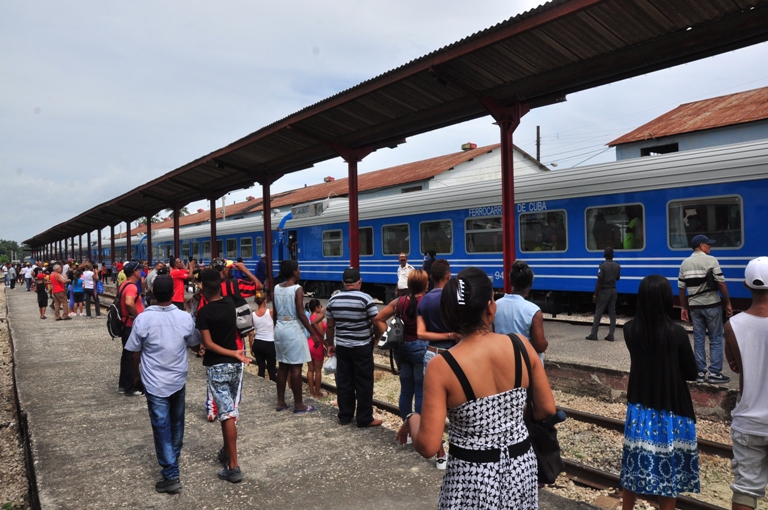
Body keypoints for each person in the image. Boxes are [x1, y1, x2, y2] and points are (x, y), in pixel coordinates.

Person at [397, 267, 556, 509]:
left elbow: (429, 445)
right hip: (520, 469)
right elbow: (546, 409)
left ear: (450, 315)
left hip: (472, 476)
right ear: (491, 308)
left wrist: (413, 418)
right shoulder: (521, 346)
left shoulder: (442, 366)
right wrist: (506, 414)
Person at [620, 275, 700, 510]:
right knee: (669, 474)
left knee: (633, 467)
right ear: (666, 299)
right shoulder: (677, 334)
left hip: (639, 411)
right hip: (673, 410)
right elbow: (692, 372)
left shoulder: (629, 330)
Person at [124, 275, 201, 494]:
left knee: (161, 427)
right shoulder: (184, 318)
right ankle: (172, 460)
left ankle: (171, 473)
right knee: (177, 424)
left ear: (153, 294)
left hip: (154, 382)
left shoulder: (142, 319)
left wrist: (136, 377)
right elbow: (195, 344)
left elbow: (134, 353)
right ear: (173, 293)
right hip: (178, 380)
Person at [195, 268, 252, 483]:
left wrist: (229, 353)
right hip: (235, 365)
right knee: (228, 410)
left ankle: (233, 466)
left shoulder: (204, 313)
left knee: (226, 413)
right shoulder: (230, 304)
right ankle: (226, 451)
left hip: (217, 365)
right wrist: (235, 353)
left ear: (202, 287)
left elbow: (208, 344)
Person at [724, 257, 768, 510]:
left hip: (749, 420)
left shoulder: (732, 325)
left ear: (746, 285)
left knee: (745, 491)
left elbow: (735, 365)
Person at [325, 267, 381, 428]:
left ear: (343, 282)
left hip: (342, 347)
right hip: (362, 347)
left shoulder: (333, 300)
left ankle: (345, 416)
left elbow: (330, 326)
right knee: (364, 382)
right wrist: (376, 337)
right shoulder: (366, 299)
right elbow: (376, 322)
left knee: (344, 381)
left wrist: (331, 344)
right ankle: (364, 418)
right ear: (359, 282)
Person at [373, 269, 428, 423]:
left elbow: (378, 319)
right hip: (420, 348)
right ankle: (419, 427)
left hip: (402, 348)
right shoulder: (426, 302)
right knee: (420, 391)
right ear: (425, 284)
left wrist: (391, 337)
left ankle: (407, 426)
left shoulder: (400, 302)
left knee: (406, 391)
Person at [416, 258, 455, 468]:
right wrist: (451, 335)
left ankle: (441, 456)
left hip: (431, 354)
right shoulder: (454, 298)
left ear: (431, 277)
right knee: (458, 405)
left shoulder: (424, 301)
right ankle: (459, 451)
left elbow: (421, 334)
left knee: (435, 408)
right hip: (453, 355)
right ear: (448, 276)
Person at [679, 234, 732, 384]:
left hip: (694, 306)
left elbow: (681, 288)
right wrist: (728, 302)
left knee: (698, 338)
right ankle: (714, 373)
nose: (710, 247)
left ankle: (700, 373)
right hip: (711, 305)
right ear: (701, 246)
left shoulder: (684, 263)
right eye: (708, 244)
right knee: (716, 338)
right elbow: (720, 283)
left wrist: (683, 307)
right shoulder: (711, 260)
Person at [272, 259, 321, 413]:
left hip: (280, 327)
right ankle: (298, 405)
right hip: (293, 328)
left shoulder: (276, 288)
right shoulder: (297, 289)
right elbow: (301, 312)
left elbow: (275, 312)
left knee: (282, 366)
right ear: (294, 272)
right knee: (296, 367)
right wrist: (313, 333)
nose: (300, 271)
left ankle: (281, 402)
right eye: (298, 269)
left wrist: (276, 328)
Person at [494, 260, 548, 360]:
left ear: (511, 281)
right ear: (530, 284)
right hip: (525, 363)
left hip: (502, 360)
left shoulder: (496, 305)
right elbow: (540, 346)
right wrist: (545, 343)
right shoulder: (533, 311)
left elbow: (494, 334)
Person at [118, 261, 145, 396]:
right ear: (135, 272)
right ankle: (130, 388)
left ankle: (123, 385)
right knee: (131, 357)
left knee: (126, 356)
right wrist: (138, 317)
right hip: (130, 325)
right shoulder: (132, 287)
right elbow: (129, 302)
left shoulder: (123, 284)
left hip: (125, 324)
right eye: (139, 270)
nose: (141, 272)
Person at [586, 247, 621, 341]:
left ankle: (594, 334)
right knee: (612, 313)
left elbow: (599, 281)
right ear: (612, 255)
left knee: (598, 312)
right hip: (613, 290)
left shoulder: (602, 266)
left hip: (604, 291)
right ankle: (611, 335)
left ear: (604, 255)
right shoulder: (617, 266)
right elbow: (617, 278)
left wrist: (595, 294)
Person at [249, 290, 276, 381]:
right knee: (272, 369)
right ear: (265, 301)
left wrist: (251, 346)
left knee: (261, 368)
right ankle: (274, 385)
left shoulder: (253, 315)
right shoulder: (271, 312)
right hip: (269, 343)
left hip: (258, 342)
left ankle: (261, 385)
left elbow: (251, 333)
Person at [305, 299, 327, 398]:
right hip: (317, 345)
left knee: (310, 370)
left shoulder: (309, 317)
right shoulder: (318, 319)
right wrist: (326, 345)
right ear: (317, 307)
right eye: (321, 306)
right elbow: (321, 334)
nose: (321, 308)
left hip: (309, 343)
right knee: (318, 370)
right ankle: (317, 393)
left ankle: (311, 392)